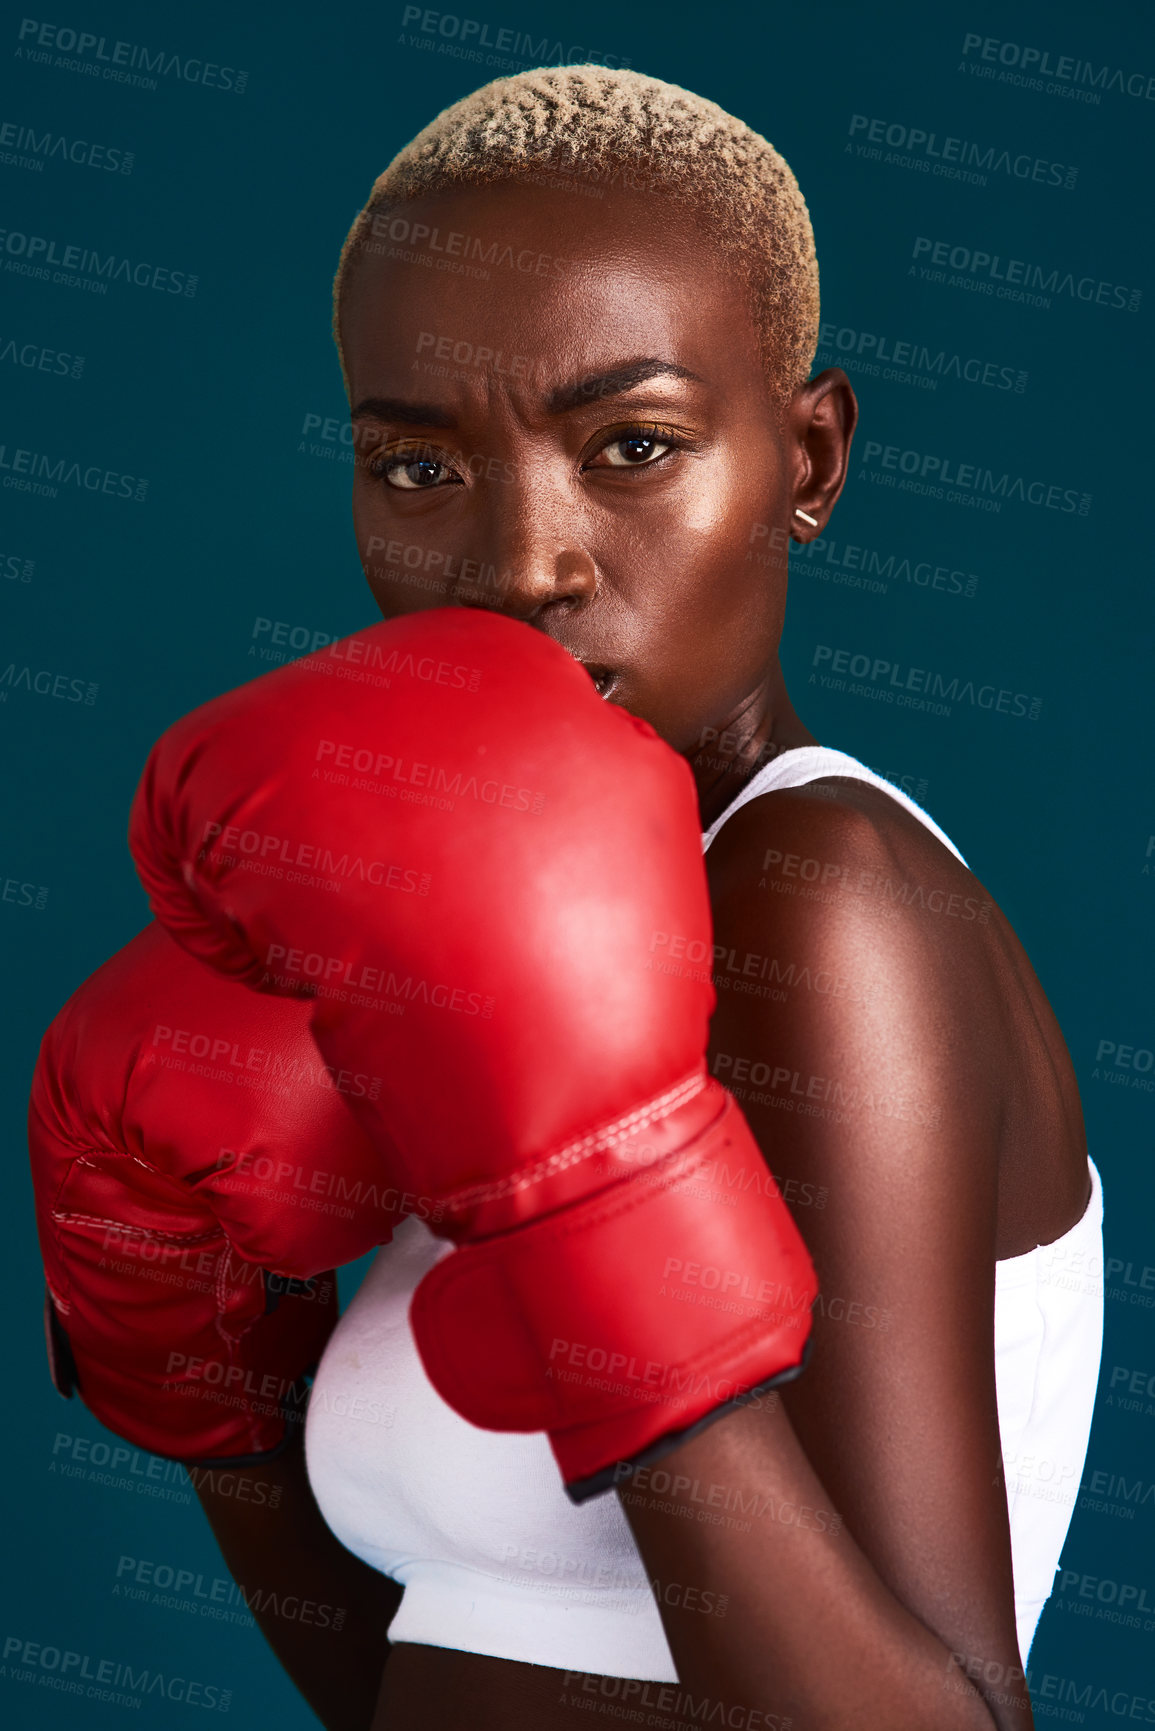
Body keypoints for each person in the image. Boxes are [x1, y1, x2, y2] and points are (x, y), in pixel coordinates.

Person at [148, 66, 1104, 1731]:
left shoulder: (820, 903)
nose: (523, 567)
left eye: (633, 445)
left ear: (809, 458)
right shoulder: (440, 932)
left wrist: (613, 1229)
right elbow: (416, 1665)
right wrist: (196, 1354)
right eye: (420, 470)